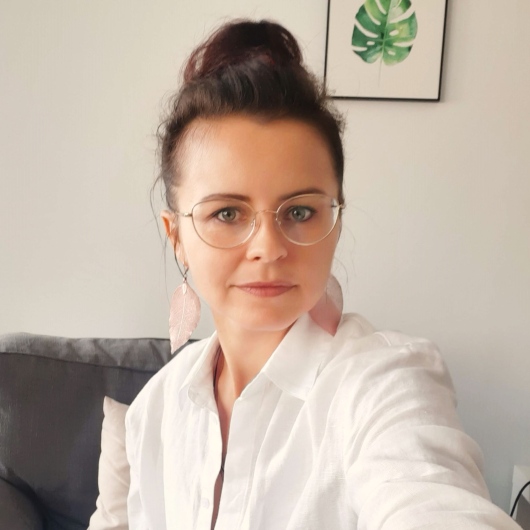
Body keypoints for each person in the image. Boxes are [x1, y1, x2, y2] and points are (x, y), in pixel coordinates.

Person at [125, 19, 521, 530]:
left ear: (336, 219)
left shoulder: (382, 383)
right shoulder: (154, 411)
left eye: (300, 211)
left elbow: (432, 499)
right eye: (226, 213)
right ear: (175, 233)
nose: (268, 248)